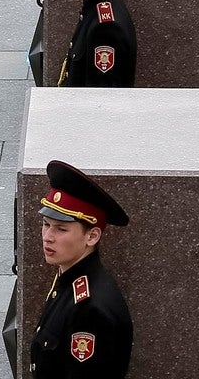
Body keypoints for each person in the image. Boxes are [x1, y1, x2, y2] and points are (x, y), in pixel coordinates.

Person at [32, 160, 133, 379]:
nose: (48, 237)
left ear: (92, 236)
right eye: (46, 224)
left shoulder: (90, 309)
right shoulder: (69, 279)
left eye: (61, 229)